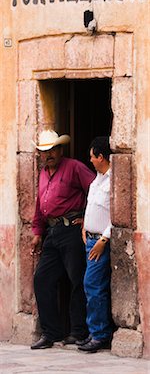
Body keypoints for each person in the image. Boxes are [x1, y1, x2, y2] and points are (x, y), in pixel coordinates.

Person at [30, 129, 95, 350]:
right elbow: (40, 205)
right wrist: (37, 232)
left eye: (51, 150)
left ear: (60, 150)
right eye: (43, 152)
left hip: (72, 230)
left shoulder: (75, 167)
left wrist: (87, 218)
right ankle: (51, 332)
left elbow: (95, 190)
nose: (47, 155)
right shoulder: (42, 173)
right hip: (52, 232)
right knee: (42, 279)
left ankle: (78, 331)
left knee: (77, 280)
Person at [78, 136, 113, 353]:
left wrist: (103, 239)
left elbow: (115, 216)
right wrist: (84, 226)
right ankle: (95, 331)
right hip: (89, 240)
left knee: (93, 285)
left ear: (101, 156)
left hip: (100, 242)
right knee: (92, 285)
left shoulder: (112, 181)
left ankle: (100, 334)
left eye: (92, 156)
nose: (90, 160)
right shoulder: (96, 181)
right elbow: (92, 207)